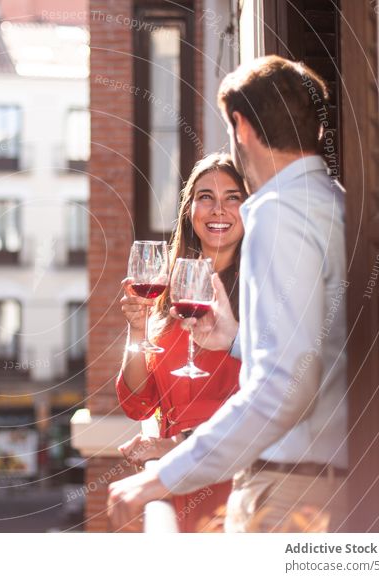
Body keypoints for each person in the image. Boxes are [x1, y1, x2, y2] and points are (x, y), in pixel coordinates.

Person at [107, 55, 348, 533]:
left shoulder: (279, 212)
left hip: (291, 486)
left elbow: (285, 387)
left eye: (230, 197)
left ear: (241, 127)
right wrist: (237, 340)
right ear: (316, 128)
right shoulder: (336, 201)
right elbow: (316, 349)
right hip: (329, 475)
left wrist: (160, 479)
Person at [116, 153, 247, 532]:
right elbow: (140, 402)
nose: (218, 208)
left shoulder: (264, 294)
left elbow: (268, 406)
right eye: (205, 196)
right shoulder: (170, 288)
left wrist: (172, 448)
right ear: (190, 209)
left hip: (232, 484)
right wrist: (138, 329)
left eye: (233, 196)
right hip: (179, 487)